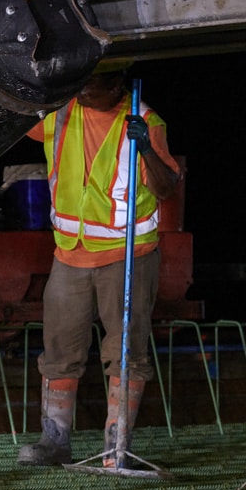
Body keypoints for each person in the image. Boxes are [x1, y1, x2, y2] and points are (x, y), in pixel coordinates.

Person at [18, 59, 180, 467]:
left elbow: (165, 187)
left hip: (128, 257)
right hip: (69, 255)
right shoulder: (63, 112)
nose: (84, 92)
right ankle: (54, 441)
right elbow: (9, 117)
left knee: (126, 352)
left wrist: (144, 147)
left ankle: (116, 448)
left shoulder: (145, 120)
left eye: (94, 86)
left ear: (118, 84)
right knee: (59, 348)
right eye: (80, 84)